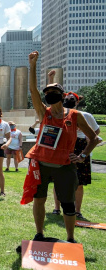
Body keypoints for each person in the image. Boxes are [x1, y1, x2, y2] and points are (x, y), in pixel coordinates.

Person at [26, 51, 100, 243]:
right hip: (41, 163)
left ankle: (70, 238)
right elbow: (33, 90)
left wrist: (83, 155)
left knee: (68, 203)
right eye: (47, 93)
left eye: (53, 93)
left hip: (65, 166)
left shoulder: (75, 116)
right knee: (39, 199)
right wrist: (33, 65)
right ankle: (39, 234)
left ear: (61, 95)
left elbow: (94, 138)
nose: (49, 95)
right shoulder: (44, 112)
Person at [49, 72, 101, 220]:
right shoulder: (61, 113)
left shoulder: (85, 115)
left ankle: (76, 210)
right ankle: (57, 208)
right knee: (58, 179)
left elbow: (96, 133)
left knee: (79, 182)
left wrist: (85, 147)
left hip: (79, 146)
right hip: (64, 144)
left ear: (76, 102)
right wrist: (51, 80)